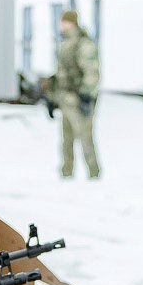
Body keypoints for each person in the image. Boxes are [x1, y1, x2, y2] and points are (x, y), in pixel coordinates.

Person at [55, 9, 101, 179]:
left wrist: (86, 94)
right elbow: (62, 73)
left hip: (79, 99)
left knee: (85, 138)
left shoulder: (83, 44)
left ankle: (93, 173)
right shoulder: (65, 43)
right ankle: (66, 172)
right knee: (66, 139)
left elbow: (92, 71)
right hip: (65, 98)